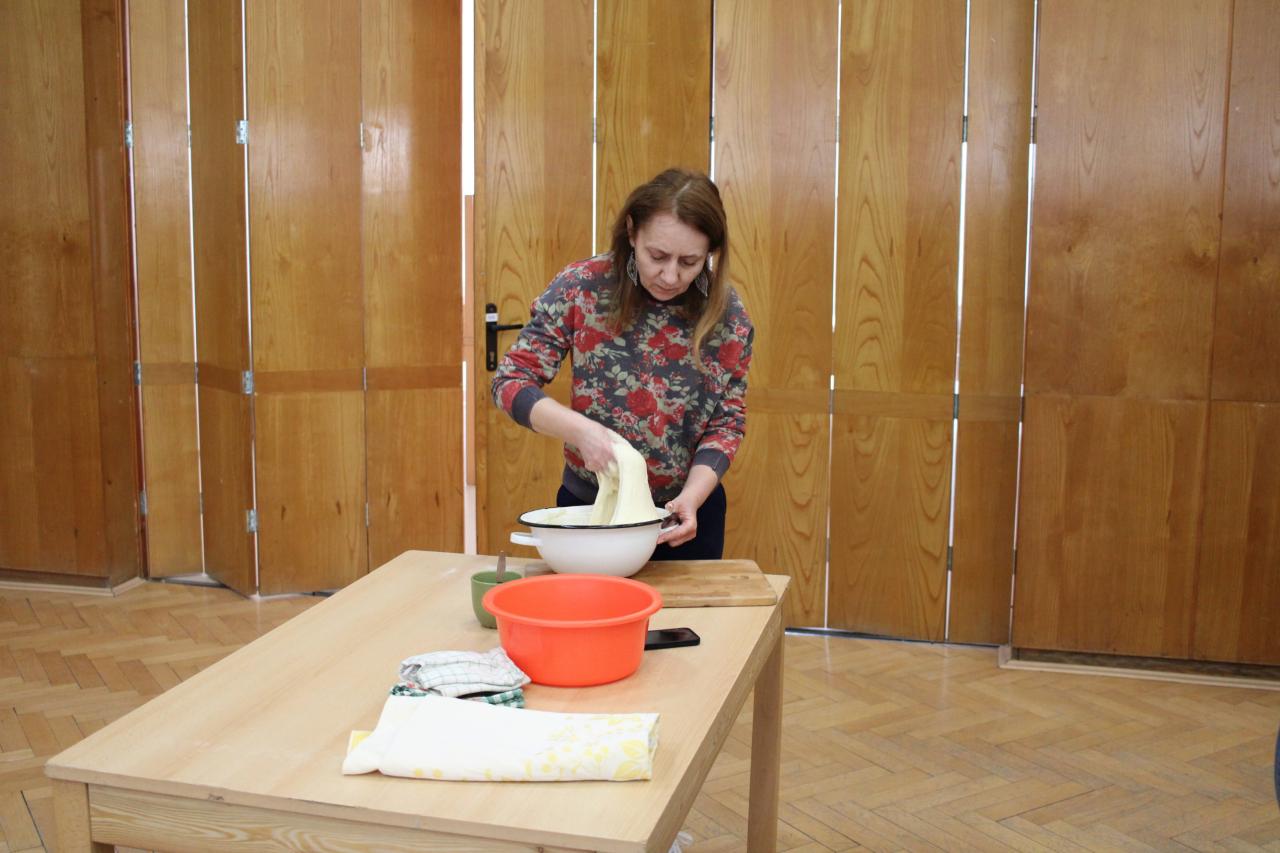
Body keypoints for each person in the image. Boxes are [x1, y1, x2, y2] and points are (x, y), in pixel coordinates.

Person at [491, 168, 753, 560]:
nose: (670, 276)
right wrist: (582, 432)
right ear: (632, 232)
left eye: (690, 261)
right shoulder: (582, 287)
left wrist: (692, 497)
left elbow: (726, 424)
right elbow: (511, 381)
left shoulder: (727, 315)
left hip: (684, 518)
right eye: (657, 256)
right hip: (591, 509)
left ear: (710, 253)